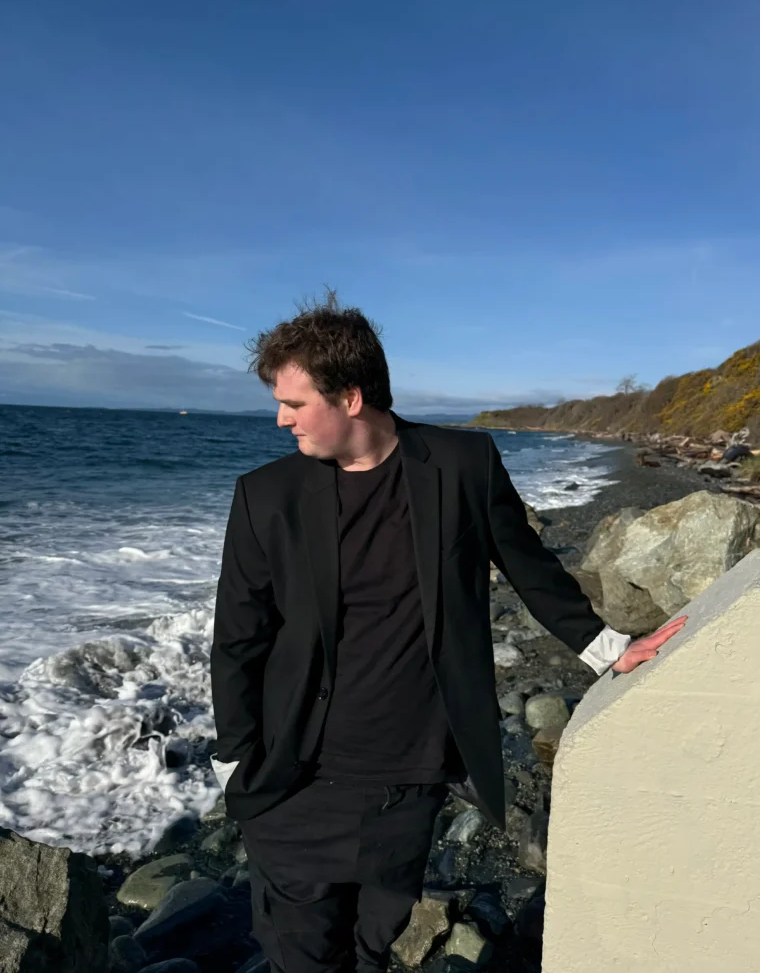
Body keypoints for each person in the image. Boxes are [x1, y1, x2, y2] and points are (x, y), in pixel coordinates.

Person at [209, 295, 685, 973]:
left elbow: (528, 564)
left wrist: (610, 650)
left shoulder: (462, 464)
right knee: (304, 956)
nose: (281, 420)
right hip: (298, 778)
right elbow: (238, 638)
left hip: (411, 773)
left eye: (294, 403)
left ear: (350, 397)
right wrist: (235, 758)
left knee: (373, 945)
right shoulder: (265, 495)